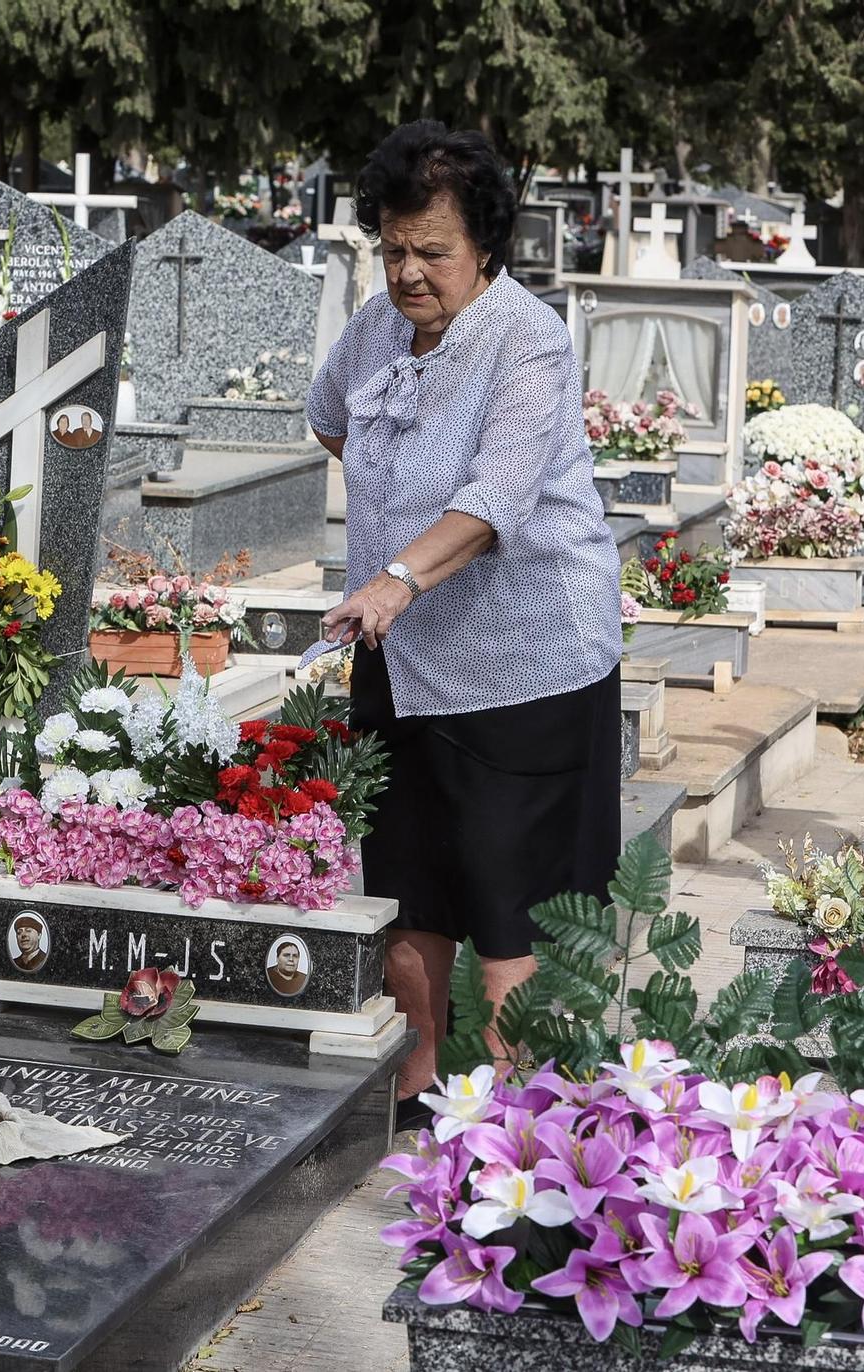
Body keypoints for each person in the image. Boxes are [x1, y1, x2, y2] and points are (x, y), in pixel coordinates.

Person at [305, 121, 621, 1130]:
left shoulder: (526, 338)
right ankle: (415, 1088)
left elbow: (496, 496)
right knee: (403, 879)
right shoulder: (372, 328)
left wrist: (398, 572)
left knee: (505, 892)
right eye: (391, 247)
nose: (405, 271)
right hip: (396, 650)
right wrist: (389, 535)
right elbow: (327, 416)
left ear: (482, 245)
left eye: (428, 251)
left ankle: (523, 1115)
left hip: (521, 661)